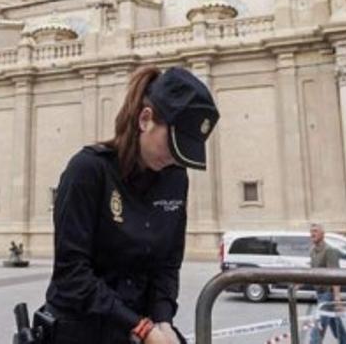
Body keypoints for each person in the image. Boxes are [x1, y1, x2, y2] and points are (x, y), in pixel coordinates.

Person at [44, 66, 219, 344]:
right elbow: (72, 275)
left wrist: (162, 321)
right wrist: (142, 328)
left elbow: (167, 264)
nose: (177, 159)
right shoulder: (89, 170)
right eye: (174, 145)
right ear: (145, 119)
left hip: (138, 331)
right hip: (82, 331)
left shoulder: (175, 177)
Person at [308, 223, 346, 344]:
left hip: (328, 294)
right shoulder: (312, 251)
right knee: (337, 327)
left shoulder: (330, 251)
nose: (312, 234)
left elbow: (335, 275)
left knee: (318, 328)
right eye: (311, 231)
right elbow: (312, 271)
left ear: (323, 234)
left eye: (315, 231)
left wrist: (337, 298)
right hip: (320, 293)